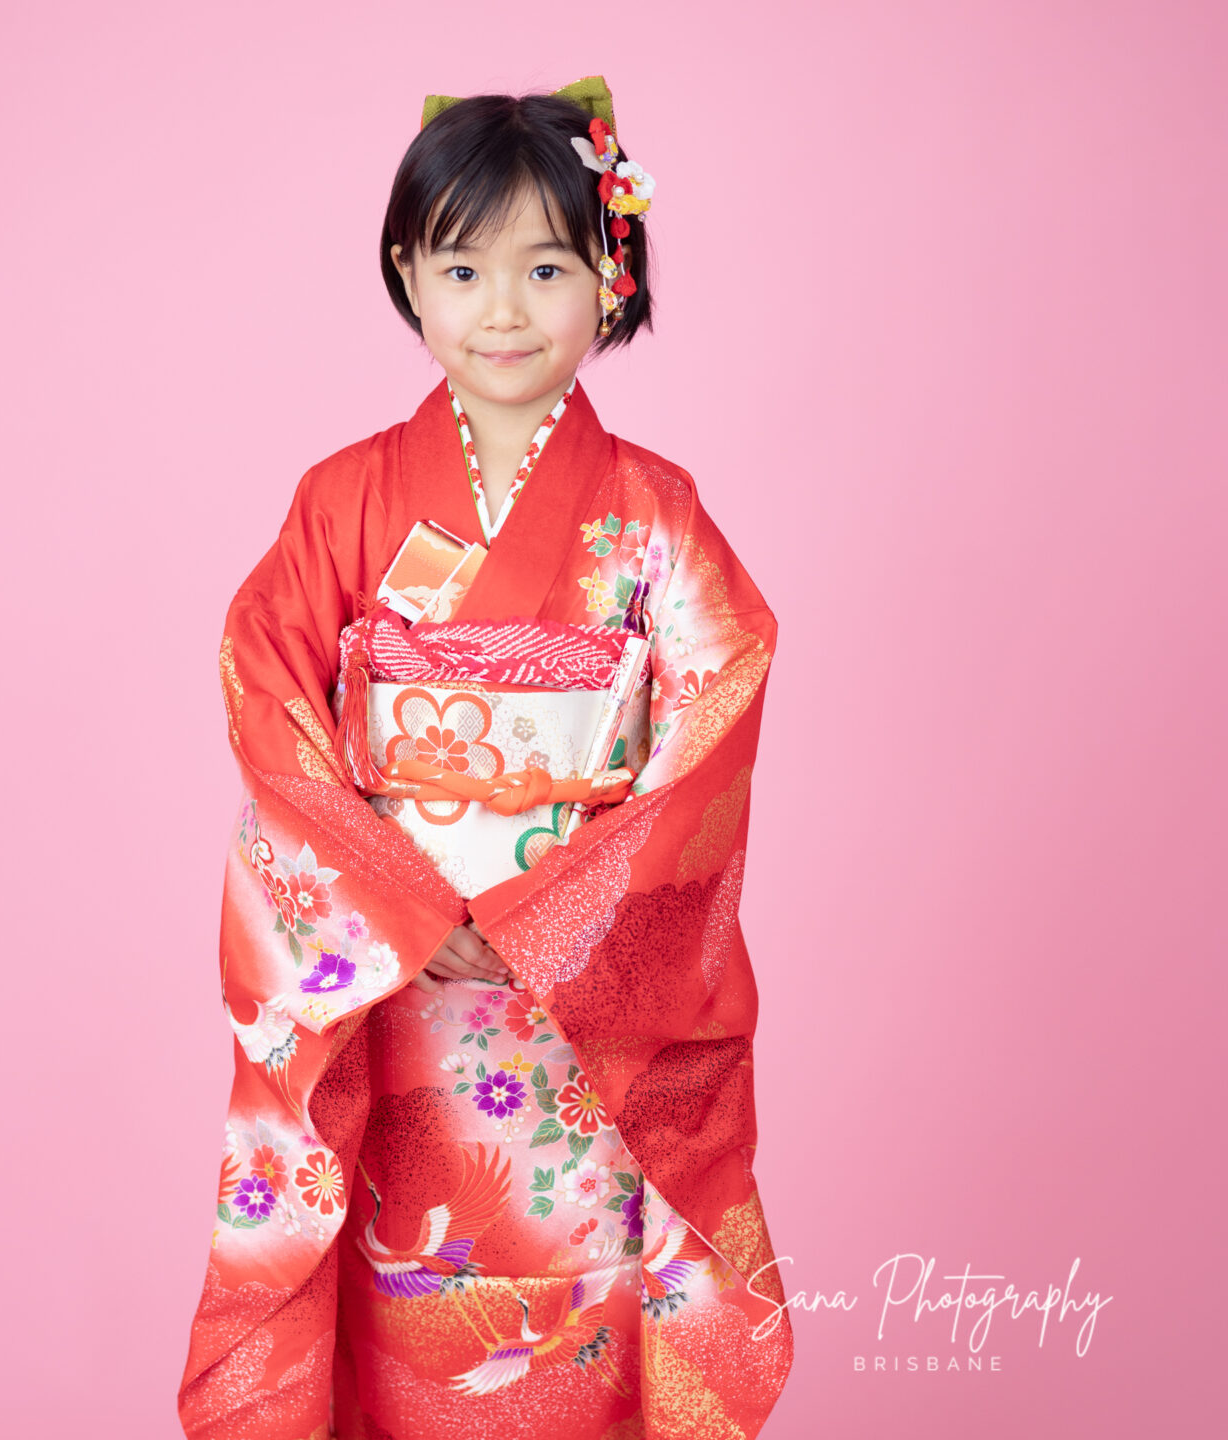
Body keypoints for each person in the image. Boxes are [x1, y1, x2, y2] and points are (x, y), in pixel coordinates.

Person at [178, 80, 793, 1439]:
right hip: (399, 985)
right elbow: (267, 686)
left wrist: (554, 914)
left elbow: (717, 692)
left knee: (578, 1292)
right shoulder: (342, 499)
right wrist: (400, 902)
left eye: (545, 267)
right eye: (462, 267)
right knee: (404, 1276)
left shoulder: (652, 511)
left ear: (607, 279)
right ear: (408, 274)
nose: (503, 309)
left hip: (584, 1006)